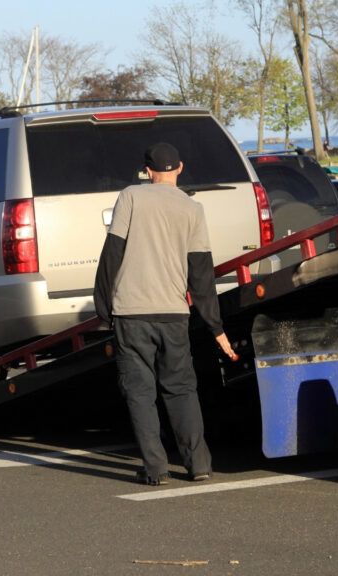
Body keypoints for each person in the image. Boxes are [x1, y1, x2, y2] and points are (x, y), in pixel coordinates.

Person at [94, 142, 237, 486]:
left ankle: (155, 468)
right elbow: (201, 273)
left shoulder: (131, 197)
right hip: (174, 313)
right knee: (182, 389)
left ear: (147, 170)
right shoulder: (193, 209)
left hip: (132, 312)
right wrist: (216, 327)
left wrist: (103, 309)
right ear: (180, 168)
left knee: (140, 392)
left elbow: (112, 254)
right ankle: (198, 463)